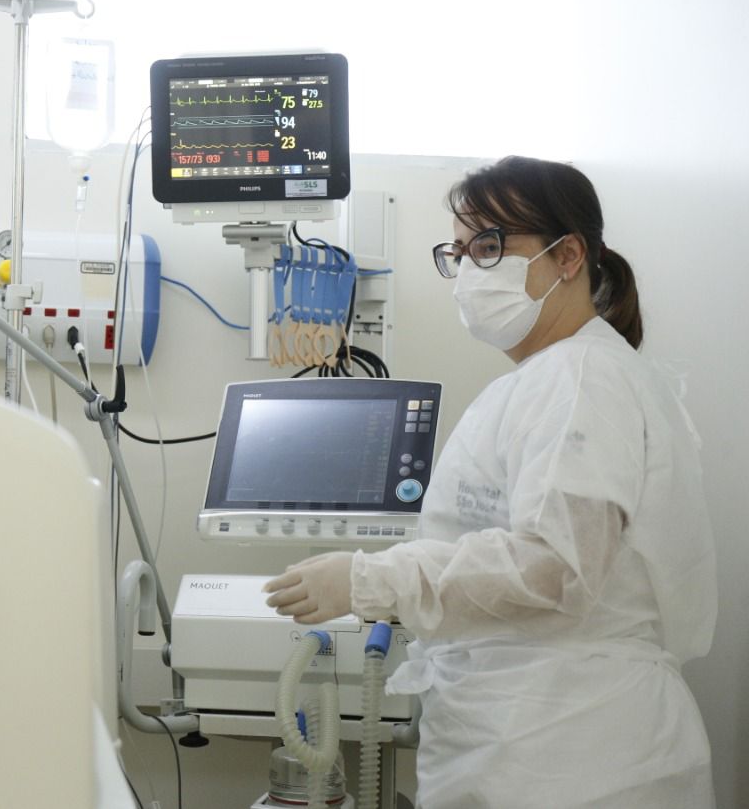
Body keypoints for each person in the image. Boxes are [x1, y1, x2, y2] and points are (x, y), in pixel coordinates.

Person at [263, 156, 717, 808]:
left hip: (578, 751)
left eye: (490, 245)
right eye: (460, 250)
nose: (470, 268)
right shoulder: (551, 378)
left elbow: (556, 567)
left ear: (568, 256)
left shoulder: (582, 380)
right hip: (533, 736)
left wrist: (371, 579)